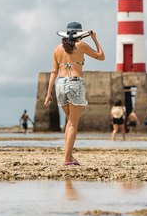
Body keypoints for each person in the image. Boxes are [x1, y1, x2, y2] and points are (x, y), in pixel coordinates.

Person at [44, 22, 105, 166]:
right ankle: (67, 159)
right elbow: (101, 57)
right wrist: (94, 39)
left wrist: (48, 93)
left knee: (69, 123)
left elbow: (54, 72)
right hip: (74, 83)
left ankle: (69, 156)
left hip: (60, 84)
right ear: (79, 35)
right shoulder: (81, 46)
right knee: (72, 124)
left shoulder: (57, 50)